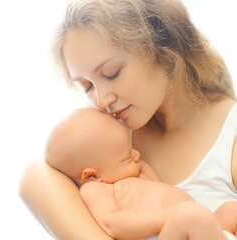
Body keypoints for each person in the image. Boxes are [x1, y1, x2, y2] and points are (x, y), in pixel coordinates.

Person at [18, 0, 237, 239]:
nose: (101, 101)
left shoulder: (229, 139)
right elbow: (33, 177)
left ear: (163, 52)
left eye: (112, 73)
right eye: (87, 86)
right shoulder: (100, 140)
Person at [45, 107, 237, 240]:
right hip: (169, 233)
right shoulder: (97, 189)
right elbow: (113, 224)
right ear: (92, 176)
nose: (137, 155)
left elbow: (161, 188)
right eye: (127, 157)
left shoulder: (136, 176)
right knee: (192, 215)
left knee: (231, 209)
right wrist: (167, 215)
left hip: (198, 230)